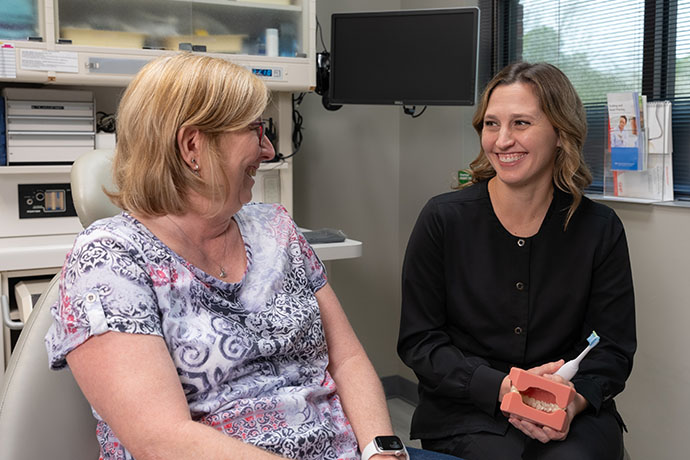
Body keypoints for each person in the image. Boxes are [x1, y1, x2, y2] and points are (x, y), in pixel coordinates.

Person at [45, 53, 459, 460]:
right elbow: (161, 440)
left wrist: (381, 451)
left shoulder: (276, 229)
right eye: (254, 130)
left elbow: (347, 358)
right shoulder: (109, 259)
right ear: (193, 146)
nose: (267, 150)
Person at [398, 62, 636, 460]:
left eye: (521, 123)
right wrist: (501, 386)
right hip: (469, 410)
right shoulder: (443, 219)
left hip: (569, 408)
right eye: (492, 125)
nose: (502, 140)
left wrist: (572, 401)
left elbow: (611, 347)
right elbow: (420, 341)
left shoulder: (600, 229)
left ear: (561, 133)